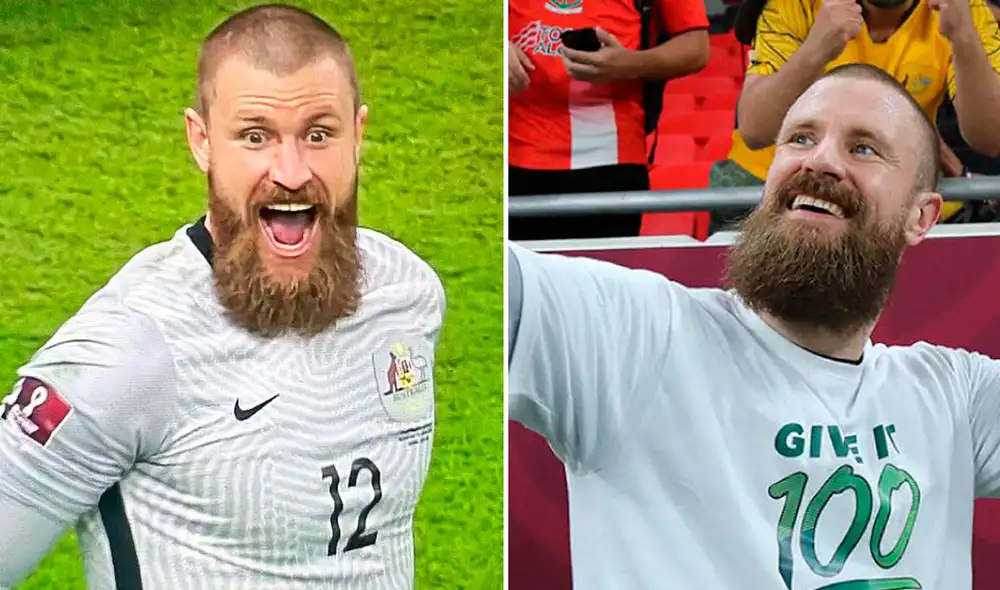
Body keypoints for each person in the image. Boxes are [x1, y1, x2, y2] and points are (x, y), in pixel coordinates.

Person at [0, 4, 445, 589]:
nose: (291, 172)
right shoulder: (130, 349)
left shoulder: (408, 293)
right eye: (256, 137)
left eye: (318, 134)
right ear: (202, 141)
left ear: (358, 135)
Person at [508, 63, 1000, 588]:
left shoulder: (955, 397)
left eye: (863, 148)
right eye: (801, 138)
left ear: (922, 217)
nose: (820, 160)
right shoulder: (635, 338)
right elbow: (470, 281)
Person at [709, 0, 1000, 232]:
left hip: (880, 192)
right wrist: (817, 48)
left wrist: (964, 36)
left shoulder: (963, 8)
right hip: (771, 185)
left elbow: (992, 138)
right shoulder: (795, 4)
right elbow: (755, 129)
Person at [508, 0, 710, 240]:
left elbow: (696, 47)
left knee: (600, 263)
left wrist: (629, 64)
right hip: (509, 152)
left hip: (609, 157)